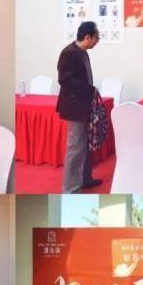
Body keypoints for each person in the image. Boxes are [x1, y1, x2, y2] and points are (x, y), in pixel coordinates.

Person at [57, 21, 102, 193]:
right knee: (76, 147)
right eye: (97, 37)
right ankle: (70, 188)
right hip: (75, 107)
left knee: (85, 145)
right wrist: (89, 90)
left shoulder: (82, 52)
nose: (97, 41)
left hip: (84, 105)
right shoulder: (69, 53)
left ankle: (85, 179)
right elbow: (64, 80)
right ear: (87, 37)